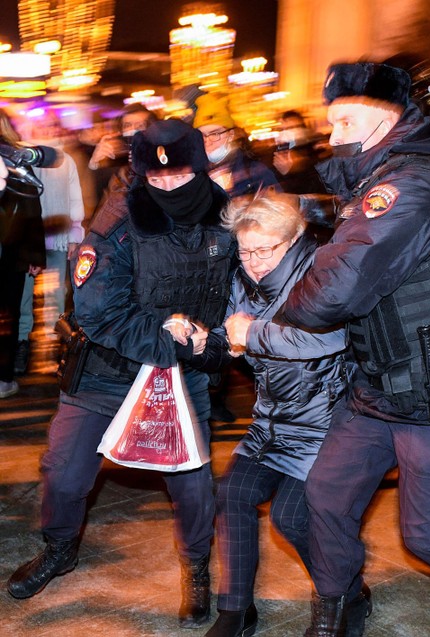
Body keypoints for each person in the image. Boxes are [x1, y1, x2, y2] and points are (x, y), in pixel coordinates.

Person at [279, 61, 430, 637]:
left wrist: (272, 313)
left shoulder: (408, 185)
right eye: (330, 122)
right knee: (324, 499)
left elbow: (332, 292)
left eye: (344, 121)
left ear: (385, 119)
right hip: (377, 383)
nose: (332, 135)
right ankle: (343, 597)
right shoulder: (375, 182)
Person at [5, 119, 236, 631]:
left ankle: (196, 566)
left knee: (193, 486)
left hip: (188, 373)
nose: (168, 185)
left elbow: (246, 295)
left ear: (200, 167)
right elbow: (99, 312)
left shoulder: (228, 219)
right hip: (108, 372)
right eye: (157, 178)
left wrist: (212, 345)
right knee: (63, 475)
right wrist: (172, 344)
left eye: (179, 175)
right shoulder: (116, 221)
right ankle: (60, 548)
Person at [191, 193, 351, 637]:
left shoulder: (322, 273)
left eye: (266, 250)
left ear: (294, 239)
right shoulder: (243, 279)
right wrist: (203, 340)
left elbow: (327, 339)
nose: (254, 261)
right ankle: (236, 611)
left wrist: (252, 332)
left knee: (292, 518)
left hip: (328, 423)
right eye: (245, 250)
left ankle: (345, 593)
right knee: (232, 495)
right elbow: (233, 340)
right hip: (273, 420)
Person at [193, 93, 281, 423]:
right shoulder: (192, 172)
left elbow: (277, 217)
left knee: (249, 336)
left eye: (216, 133)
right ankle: (212, 394)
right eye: (202, 135)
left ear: (230, 134)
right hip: (207, 268)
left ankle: (272, 399)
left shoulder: (255, 171)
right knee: (212, 331)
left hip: (248, 268)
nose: (209, 141)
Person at [16, 112, 86, 375]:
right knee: (23, 296)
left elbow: (74, 198)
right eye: (40, 125)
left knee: (56, 297)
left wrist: (74, 235)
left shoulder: (64, 160)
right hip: (27, 238)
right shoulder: (22, 156)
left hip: (57, 237)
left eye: (50, 124)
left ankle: (55, 346)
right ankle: (21, 346)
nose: (45, 128)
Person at [0, 109, 45, 399]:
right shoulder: (17, 158)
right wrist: (34, 255)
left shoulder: (16, 158)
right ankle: (3, 378)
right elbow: (31, 209)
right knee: (7, 314)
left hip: (11, 250)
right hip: (11, 251)